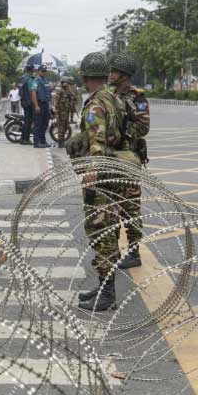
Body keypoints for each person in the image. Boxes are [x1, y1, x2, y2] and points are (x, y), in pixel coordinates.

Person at [68, 51, 134, 312]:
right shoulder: (113, 99)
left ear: (85, 77)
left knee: (101, 233)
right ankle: (104, 286)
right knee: (108, 230)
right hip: (115, 170)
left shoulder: (96, 104)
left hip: (103, 175)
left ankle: (107, 294)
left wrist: (92, 172)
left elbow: (97, 140)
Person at [108, 51, 149, 270]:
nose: (110, 74)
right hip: (109, 159)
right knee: (110, 207)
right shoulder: (108, 94)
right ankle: (112, 251)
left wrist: (121, 132)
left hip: (128, 159)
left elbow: (144, 127)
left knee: (130, 208)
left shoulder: (136, 97)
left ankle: (134, 253)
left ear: (124, 74)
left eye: (114, 71)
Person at [29, 64, 52, 148]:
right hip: (39, 104)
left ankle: (43, 141)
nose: (44, 73)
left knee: (45, 123)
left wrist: (51, 88)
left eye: (45, 71)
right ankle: (37, 142)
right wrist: (36, 105)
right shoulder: (35, 80)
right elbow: (33, 93)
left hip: (45, 104)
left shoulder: (45, 80)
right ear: (38, 71)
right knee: (38, 124)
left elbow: (47, 91)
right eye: (42, 71)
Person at [53, 76, 77, 145]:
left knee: (66, 126)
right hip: (61, 112)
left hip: (66, 112)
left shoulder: (67, 90)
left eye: (68, 83)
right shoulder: (60, 91)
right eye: (66, 82)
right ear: (62, 82)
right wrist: (57, 114)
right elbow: (56, 103)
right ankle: (60, 142)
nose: (67, 84)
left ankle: (62, 140)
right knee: (61, 127)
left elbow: (73, 99)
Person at [19, 64, 35, 145]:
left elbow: (20, 92)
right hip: (29, 103)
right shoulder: (30, 79)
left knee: (26, 121)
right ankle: (26, 139)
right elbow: (32, 92)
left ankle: (22, 138)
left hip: (23, 102)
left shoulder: (22, 78)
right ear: (32, 70)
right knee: (28, 122)